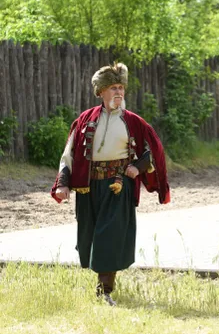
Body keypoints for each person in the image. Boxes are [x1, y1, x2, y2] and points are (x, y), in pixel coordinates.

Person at [51, 62, 170, 306]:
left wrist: (137, 167)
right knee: (90, 237)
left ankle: (104, 291)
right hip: (88, 187)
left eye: (121, 87)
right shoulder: (85, 120)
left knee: (110, 236)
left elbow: (151, 151)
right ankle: (101, 284)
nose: (118, 92)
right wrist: (63, 184)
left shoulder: (134, 122)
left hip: (118, 186)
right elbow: (69, 153)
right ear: (101, 92)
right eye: (113, 88)